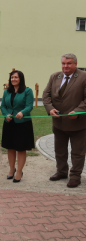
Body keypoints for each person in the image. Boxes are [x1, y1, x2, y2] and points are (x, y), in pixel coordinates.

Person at [43, 53, 86, 188]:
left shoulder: (84, 77)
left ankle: (75, 176)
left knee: (77, 152)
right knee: (59, 150)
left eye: (68, 63)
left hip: (77, 124)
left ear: (75, 64)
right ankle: (61, 171)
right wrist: (50, 109)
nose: (65, 66)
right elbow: (46, 95)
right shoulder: (55, 76)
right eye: (63, 63)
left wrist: (78, 112)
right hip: (58, 123)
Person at [0, 70, 35, 183]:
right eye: (12, 77)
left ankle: (19, 171)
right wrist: (6, 115)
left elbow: (29, 106)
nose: (13, 79)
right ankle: (12, 169)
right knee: (10, 147)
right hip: (9, 123)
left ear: (21, 79)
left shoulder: (27, 91)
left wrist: (22, 112)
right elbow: (3, 106)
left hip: (23, 124)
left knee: (20, 148)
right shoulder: (7, 92)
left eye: (16, 77)